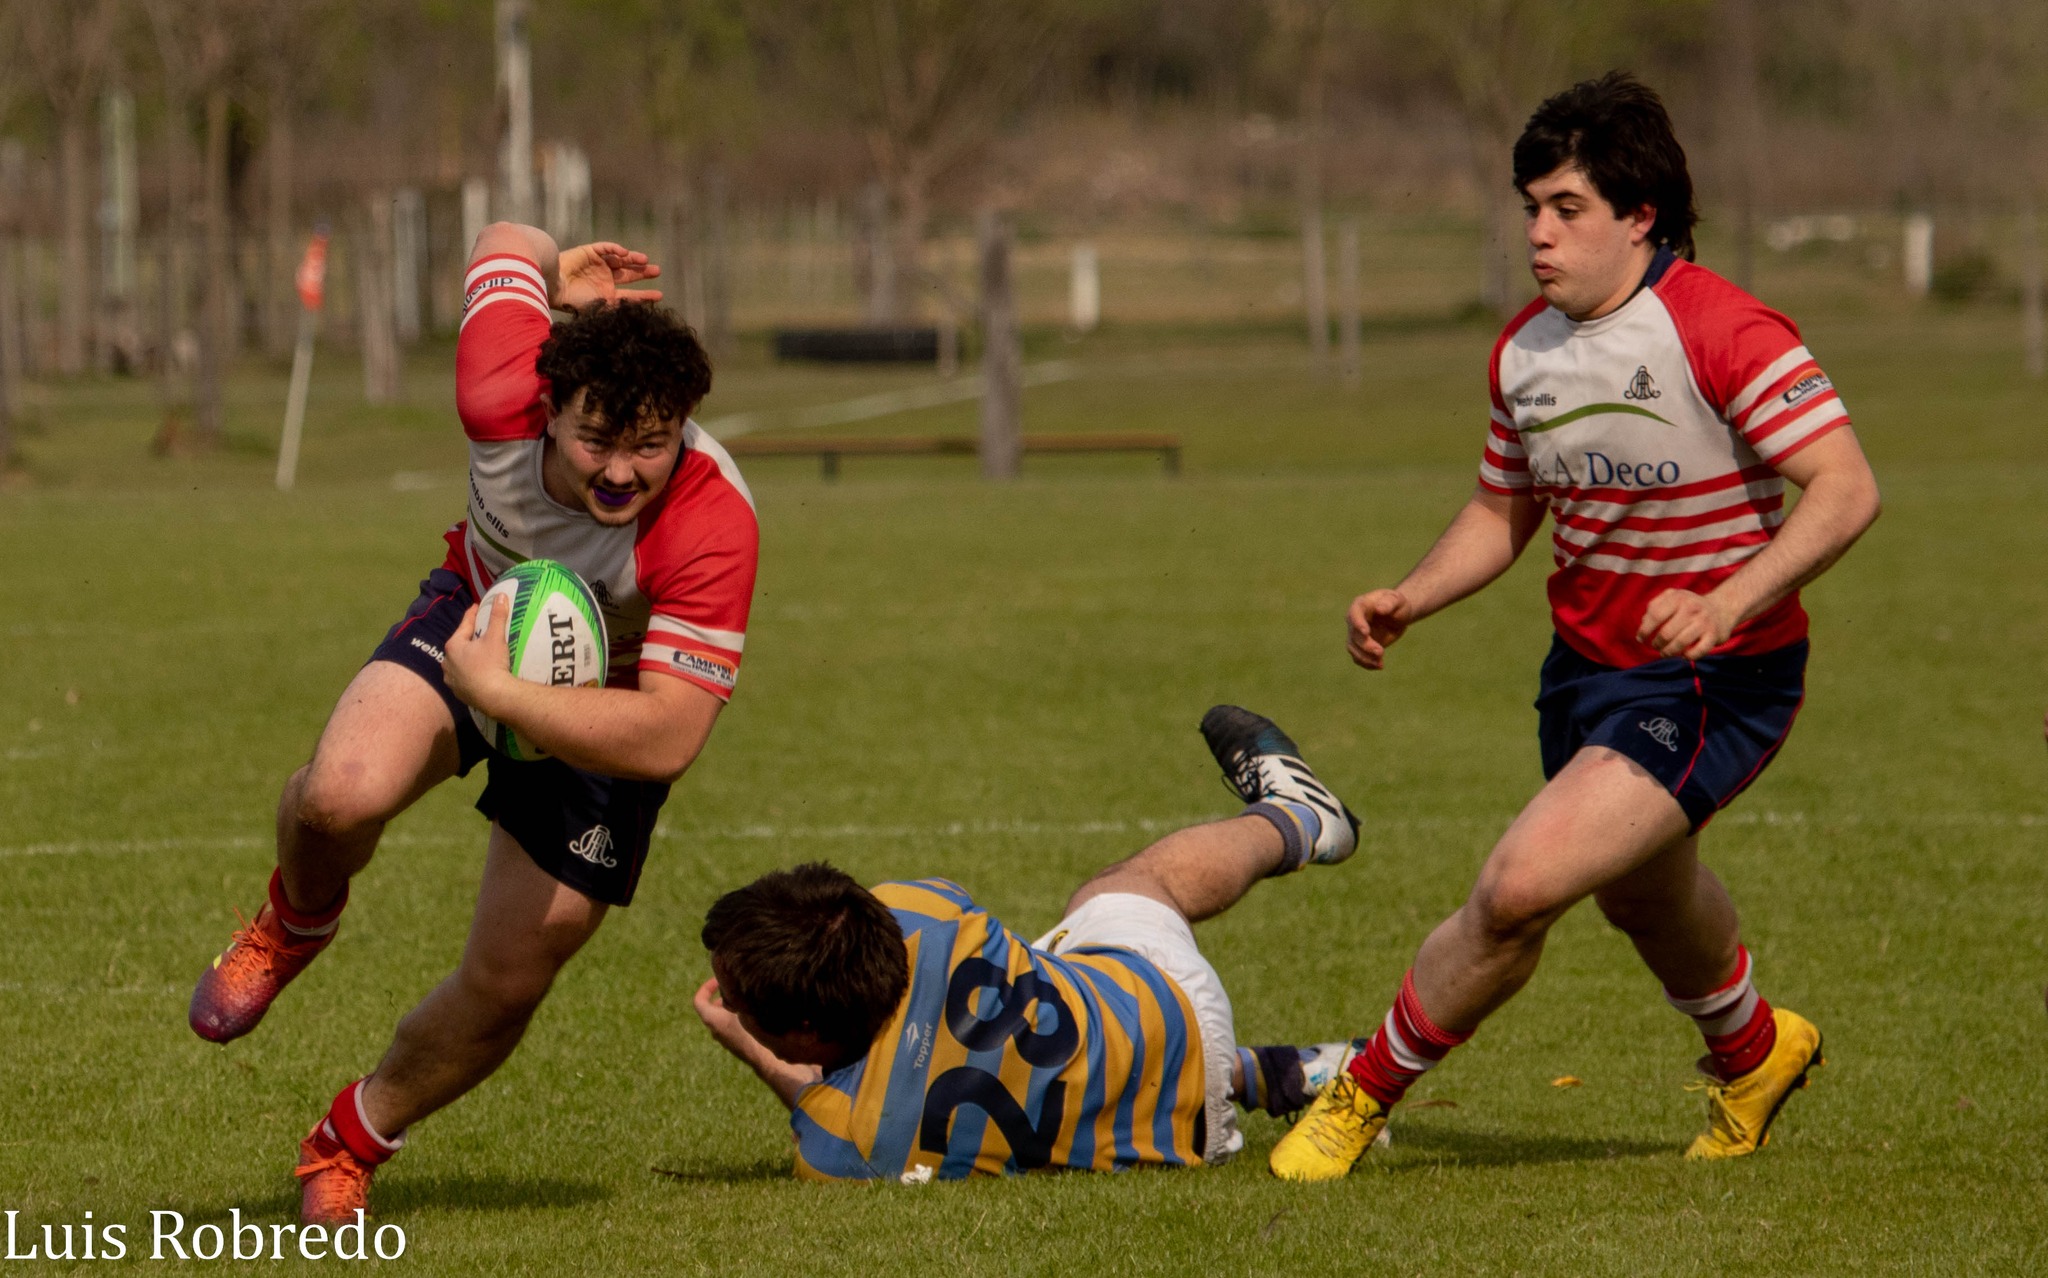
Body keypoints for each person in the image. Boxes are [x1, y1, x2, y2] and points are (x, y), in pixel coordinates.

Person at [1269, 73, 1881, 1181]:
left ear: (1637, 214)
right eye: (1528, 208)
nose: (1537, 235)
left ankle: (1356, 1095)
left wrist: (1723, 598)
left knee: (1517, 888)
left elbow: (1843, 488)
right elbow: (1502, 508)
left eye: (1564, 208)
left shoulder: (1720, 328)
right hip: (1586, 672)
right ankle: (1753, 1052)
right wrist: (1413, 592)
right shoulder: (1523, 351)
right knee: (1644, 891)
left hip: (1713, 678)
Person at [185, 223, 759, 1223]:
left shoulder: (713, 520)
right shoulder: (497, 389)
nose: (622, 473)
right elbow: (505, 235)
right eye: (596, 442)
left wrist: (506, 700)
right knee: (334, 798)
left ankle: (349, 1138)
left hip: (607, 706)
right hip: (475, 617)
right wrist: (555, 269)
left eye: (651, 445)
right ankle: (296, 920)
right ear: (545, 408)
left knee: (507, 978)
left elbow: (668, 733)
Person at [695, 707, 1366, 1179]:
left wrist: (751, 1048)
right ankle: (1297, 822)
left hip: (1185, 1137)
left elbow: (833, 1107)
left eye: (739, 1000)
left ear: (806, 1032)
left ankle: (1307, 821)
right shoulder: (922, 909)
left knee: (1102, 918)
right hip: (1165, 1010)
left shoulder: (844, 1150)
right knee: (1122, 891)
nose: (728, 999)